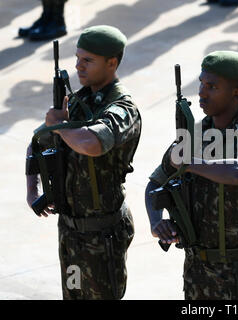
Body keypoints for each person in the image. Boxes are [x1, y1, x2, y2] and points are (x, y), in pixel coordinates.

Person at [145, 51, 238, 300]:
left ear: (237, 91)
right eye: (201, 84)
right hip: (196, 270)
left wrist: (191, 163)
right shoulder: (195, 134)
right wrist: (156, 221)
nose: (202, 93)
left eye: (212, 86)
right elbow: (156, 181)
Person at [25, 25, 141, 299]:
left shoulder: (123, 109)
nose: (78, 67)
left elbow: (92, 143)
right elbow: (37, 143)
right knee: (73, 294)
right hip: (70, 231)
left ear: (111, 63)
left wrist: (61, 126)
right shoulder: (79, 101)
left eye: (87, 60)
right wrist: (33, 191)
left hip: (103, 236)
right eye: (77, 59)